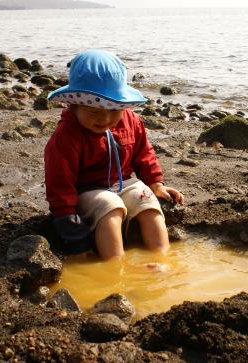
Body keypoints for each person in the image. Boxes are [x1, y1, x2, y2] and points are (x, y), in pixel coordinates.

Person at [44, 49, 184, 260]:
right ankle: (115, 266)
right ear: (74, 105)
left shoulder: (132, 121)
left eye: (114, 110)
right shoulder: (66, 136)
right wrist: (74, 236)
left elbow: (144, 154)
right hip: (87, 191)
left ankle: (161, 259)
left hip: (123, 183)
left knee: (147, 201)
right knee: (111, 207)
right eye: (94, 112)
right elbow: (59, 185)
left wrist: (156, 184)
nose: (105, 119)